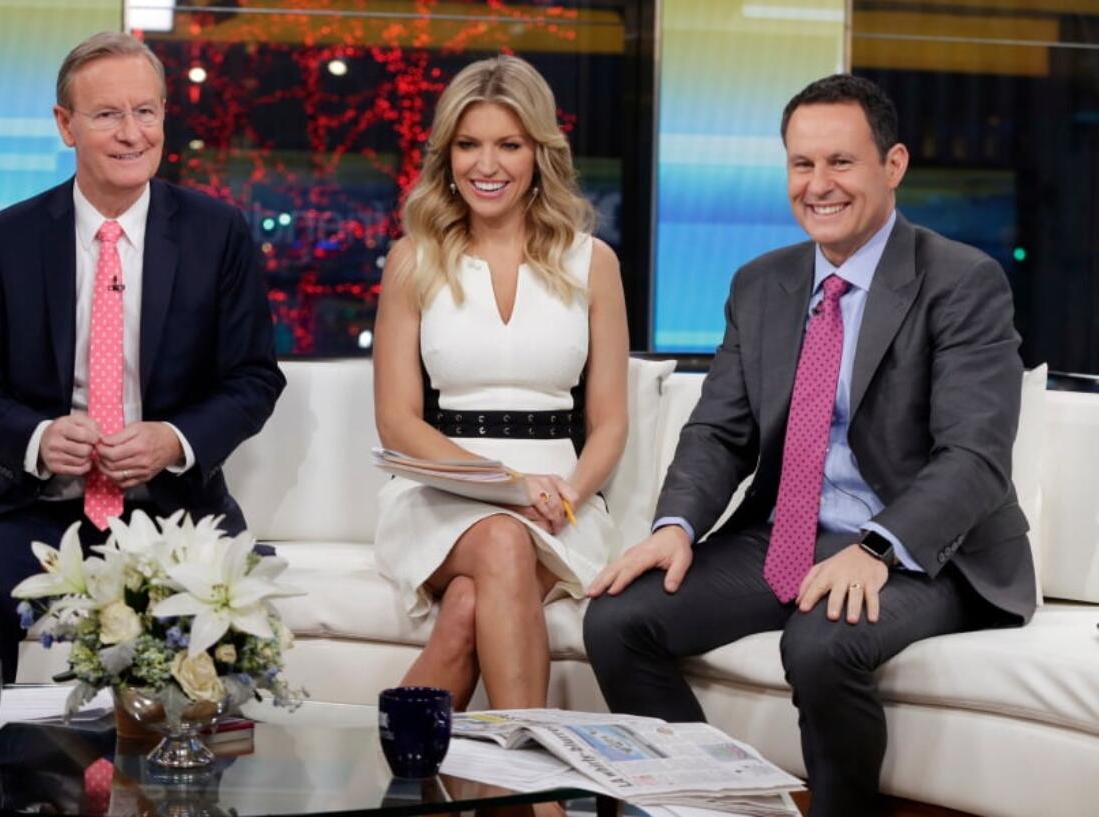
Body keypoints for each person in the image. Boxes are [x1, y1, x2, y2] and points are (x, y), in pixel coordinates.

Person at [583, 74, 1035, 817]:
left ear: (892, 165)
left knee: (822, 640)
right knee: (617, 618)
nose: (818, 185)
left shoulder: (961, 281)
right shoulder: (761, 284)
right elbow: (718, 429)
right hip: (791, 534)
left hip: (928, 550)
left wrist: (879, 548)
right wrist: (675, 526)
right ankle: (715, 809)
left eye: (841, 163)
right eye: (802, 164)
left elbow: (976, 456)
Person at [0, 32, 285, 682]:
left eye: (147, 111)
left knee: (225, 613)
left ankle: (191, 780)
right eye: (108, 114)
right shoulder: (11, 237)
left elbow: (254, 378)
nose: (132, 133)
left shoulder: (216, 233)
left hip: (176, 505)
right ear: (66, 125)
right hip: (41, 506)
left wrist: (172, 439)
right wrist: (38, 438)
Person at [372, 54, 630, 711]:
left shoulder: (592, 262)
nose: (487, 166)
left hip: (561, 504)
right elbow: (397, 422)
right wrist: (508, 486)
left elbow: (609, 421)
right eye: (469, 145)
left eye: (508, 145)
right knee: (501, 537)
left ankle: (411, 787)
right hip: (439, 493)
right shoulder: (413, 259)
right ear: (447, 155)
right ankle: (536, 796)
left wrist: (568, 491)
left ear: (538, 151)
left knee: (466, 606)